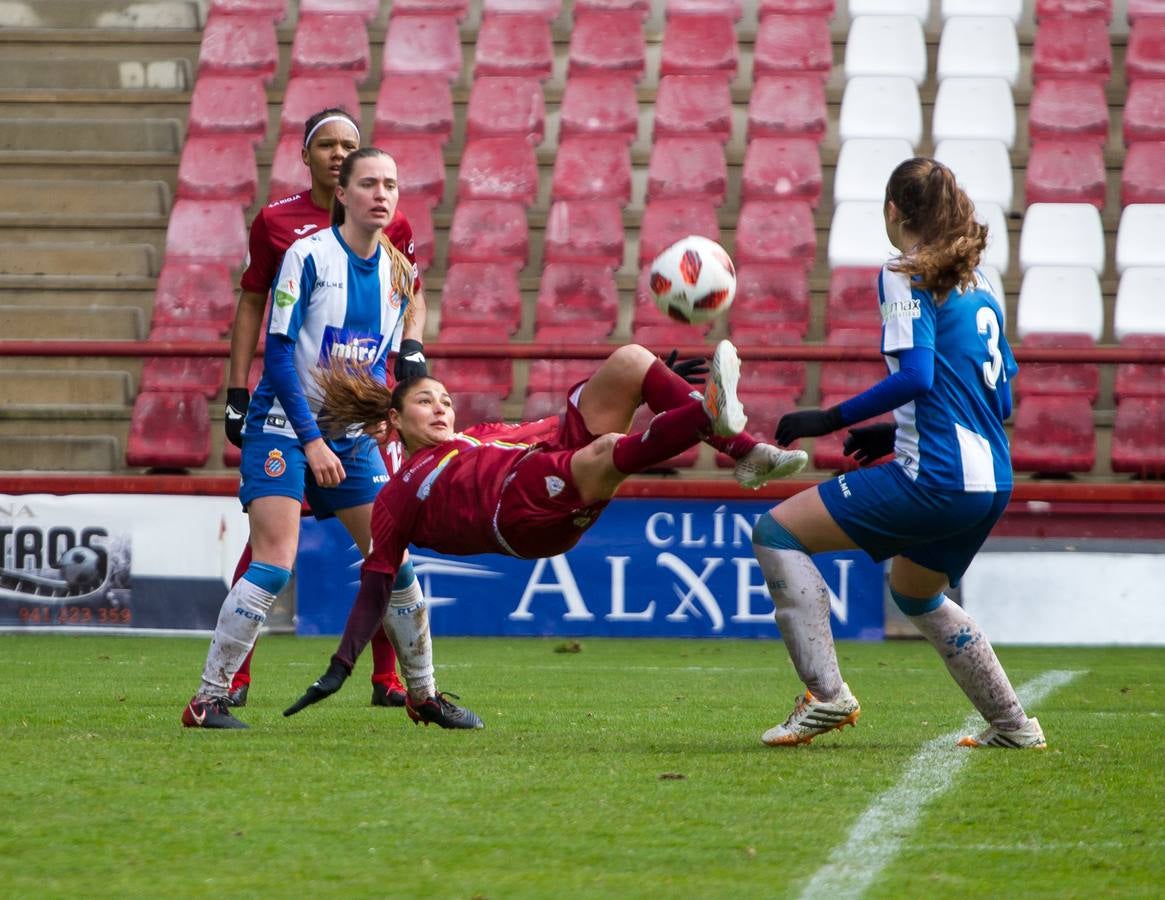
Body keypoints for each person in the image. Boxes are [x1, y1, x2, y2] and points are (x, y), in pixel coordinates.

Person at [283, 340, 810, 728]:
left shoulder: (477, 438)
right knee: (607, 452)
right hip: (520, 519)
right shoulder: (397, 493)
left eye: (445, 399)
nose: (441, 407)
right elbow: (379, 583)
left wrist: (650, 390)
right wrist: (339, 666)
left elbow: (544, 432)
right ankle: (708, 418)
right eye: (425, 402)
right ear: (392, 421)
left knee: (629, 361)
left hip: (546, 472)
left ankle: (740, 449)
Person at [752, 157, 1046, 749]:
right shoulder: (980, 284)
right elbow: (1000, 396)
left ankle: (827, 697)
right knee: (915, 591)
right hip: (991, 480)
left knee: (776, 532)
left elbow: (916, 376)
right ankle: (1015, 725)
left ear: (893, 211)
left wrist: (828, 418)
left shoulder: (903, 271)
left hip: (937, 477)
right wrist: (895, 433)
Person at [183, 147, 426, 729]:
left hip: (348, 435)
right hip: (282, 428)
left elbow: (371, 363)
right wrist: (313, 440)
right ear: (341, 194)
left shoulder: (399, 271)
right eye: (368, 184)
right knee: (274, 563)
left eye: (390, 184)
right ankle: (207, 700)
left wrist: (386, 413)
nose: (381, 194)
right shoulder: (306, 256)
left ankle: (425, 695)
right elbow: (281, 358)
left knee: (396, 562)